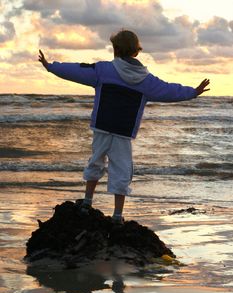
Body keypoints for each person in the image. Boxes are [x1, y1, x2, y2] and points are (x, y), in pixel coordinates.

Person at [39, 29, 210, 224]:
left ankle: (87, 202)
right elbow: (169, 90)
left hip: (102, 127)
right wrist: (192, 92)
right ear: (136, 51)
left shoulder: (103, 70)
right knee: (121, 171)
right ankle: (117, 216)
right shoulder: (147, 80)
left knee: (95, 162)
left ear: (115, 49)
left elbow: (77, 70)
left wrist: (51, 66)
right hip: (124, 132)